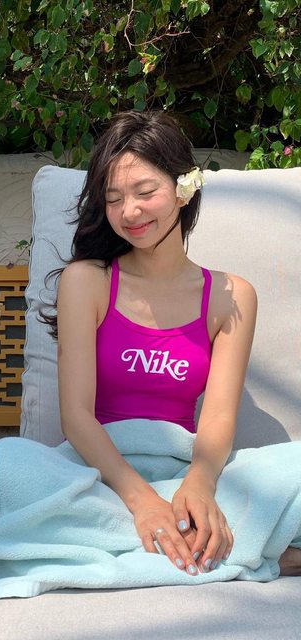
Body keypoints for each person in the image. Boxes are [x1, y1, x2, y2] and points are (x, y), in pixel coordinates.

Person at [45, 110, 301, 578]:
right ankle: (249, 553)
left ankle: (169, 547)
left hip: (183, 468)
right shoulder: (86, 282)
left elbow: (218, 417)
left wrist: (200, 485)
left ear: (185, 189)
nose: (130, 212)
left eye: (145, 192)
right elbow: (76, 416)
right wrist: (143, 502)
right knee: (12, 471)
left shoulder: (231, 297)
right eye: (113, 199)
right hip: (102, 475)